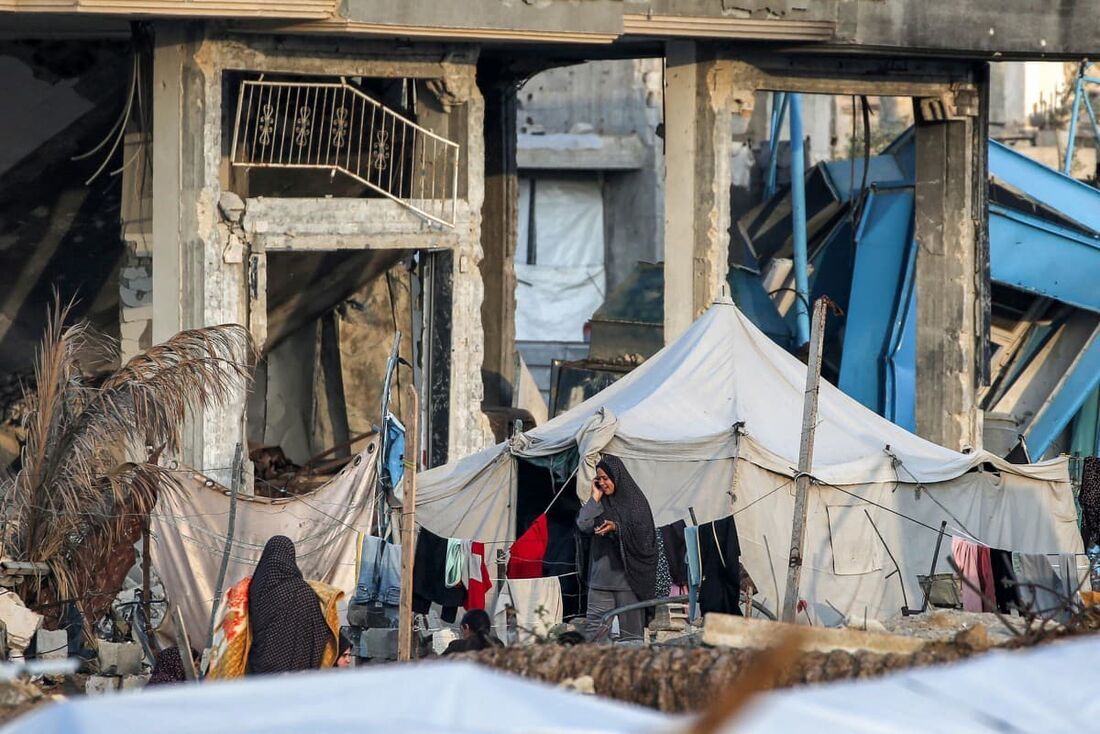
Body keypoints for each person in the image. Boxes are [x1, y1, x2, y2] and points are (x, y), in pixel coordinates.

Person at [576, 454, 657, 641]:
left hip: (628, 582)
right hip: (600, 582)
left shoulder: (636, 503)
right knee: (595, 637)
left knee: (631, 638)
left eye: (606, 478)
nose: (603, 483)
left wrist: (617, 528)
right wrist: (594, 498)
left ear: (617, 476)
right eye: (599, 479)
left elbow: (644, 535)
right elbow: (583, 524)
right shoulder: (599, 504)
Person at [247, 535, 337, 675]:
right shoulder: (304, 592)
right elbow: (319, 633)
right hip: (297, 675)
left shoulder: (255, 590)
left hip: (261, 671)